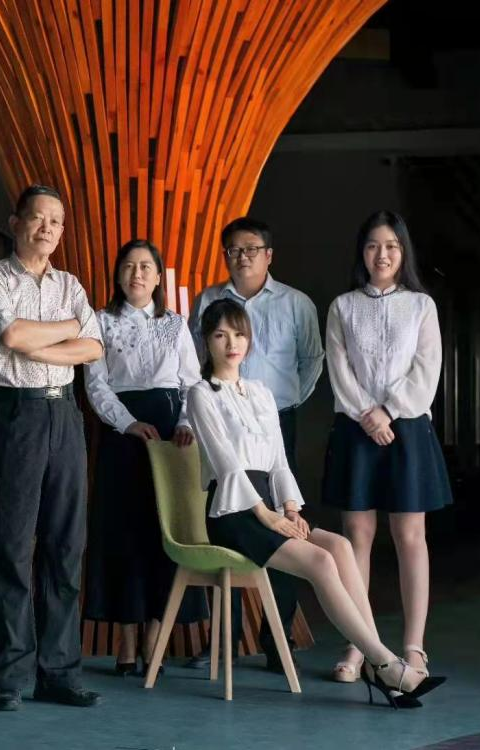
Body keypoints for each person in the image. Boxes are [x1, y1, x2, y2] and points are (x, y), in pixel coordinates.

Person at [188, 298, 445, 708]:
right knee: (321, 562)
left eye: (239, 334)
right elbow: (227, 465)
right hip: (234, 512)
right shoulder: (201, 395)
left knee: (340, 546)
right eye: (220, 335)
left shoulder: (260, 393)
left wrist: (290, 509)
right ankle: (384, 664)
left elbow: (278, 462)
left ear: (249, 340)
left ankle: (375, 660)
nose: (232, 344)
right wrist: (268, 516)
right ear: (206, 342)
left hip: (272, 507)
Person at [0, 184, 104, 711]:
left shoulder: (70, 284)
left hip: (64, 414)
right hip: (15, 415)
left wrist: (45, 341)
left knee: (66, 546)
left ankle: (59, 672)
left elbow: (93, 346)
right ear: (16, 222)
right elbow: (10, 337)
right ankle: (8, 676)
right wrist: (67, 330)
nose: (47, 228)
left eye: (56, 222)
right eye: (38, 218)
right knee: (11, 545)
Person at [186, 216, 323, 670]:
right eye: (234, 250)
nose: (242, 257)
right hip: (221, 419)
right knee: (234, 526)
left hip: (274, 421)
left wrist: (283, 402)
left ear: (269, 255)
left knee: (284, 525)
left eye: (251, 249)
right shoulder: (208, 300)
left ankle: (277, 638)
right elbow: (193, 359)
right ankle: (223, 640)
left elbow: (312, 360)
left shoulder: (296, 303)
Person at [323, 210, 453, 683]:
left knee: (410, 536)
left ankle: (414, 649)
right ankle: (361, 645)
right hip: (356, 426)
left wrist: (390, 411)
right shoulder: (342, 306)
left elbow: (427, 369)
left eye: (392, 246)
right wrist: (368, 413)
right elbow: (338, 368)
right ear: (362, 252)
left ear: (403, 253)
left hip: (408, 428)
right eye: (374, 245)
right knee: (356, 536)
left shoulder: (421, 306)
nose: (382, 254)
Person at [82, 239, 207, 675]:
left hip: (172, 437)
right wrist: (127, 422)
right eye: (129, 266)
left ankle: (155, 636)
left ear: (157, 277)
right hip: (123, 435)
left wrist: (187, 423)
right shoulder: (100, 321)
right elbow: (96, 384)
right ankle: (127, 641)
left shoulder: (175, 324)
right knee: (124, 533)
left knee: (162, 533)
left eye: (146, 267)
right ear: (118, 275)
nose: (137, 274)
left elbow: (192, 383)